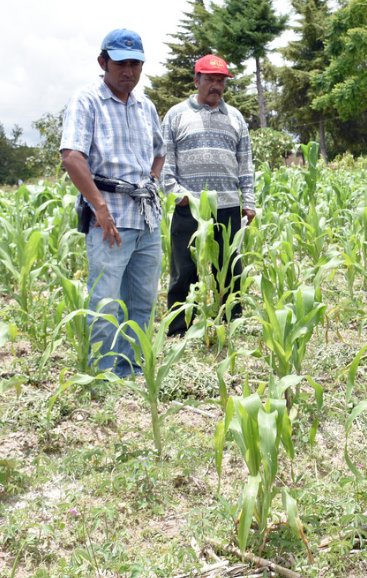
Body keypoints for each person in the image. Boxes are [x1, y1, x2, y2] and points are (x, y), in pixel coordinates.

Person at [60, 29, 165, 377]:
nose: (129, 72)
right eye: (121, 63)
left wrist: (150, 182)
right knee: (106, 301)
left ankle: (132, 367)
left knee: (142, 301)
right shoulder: (87, 100)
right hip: (111, 218)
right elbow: (73, 156)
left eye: (136, 64)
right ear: (103, 62)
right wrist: (99, 207)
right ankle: (104, 373)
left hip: (146, 219)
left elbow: (160, 153)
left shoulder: (145, 106)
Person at [161, 55, 255, 336]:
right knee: (183, 269)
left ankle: (231, 322)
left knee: (229, 269)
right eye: (210, 79)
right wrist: (179, 196)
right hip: (189, 207)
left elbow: (245, 164)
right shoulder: (176, 115)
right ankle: (179, 329)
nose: (216, 86)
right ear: (196, 80)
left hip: (227, 206)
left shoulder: (235, 118)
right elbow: (164, 161)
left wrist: (248, 201)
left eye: (221, 81)